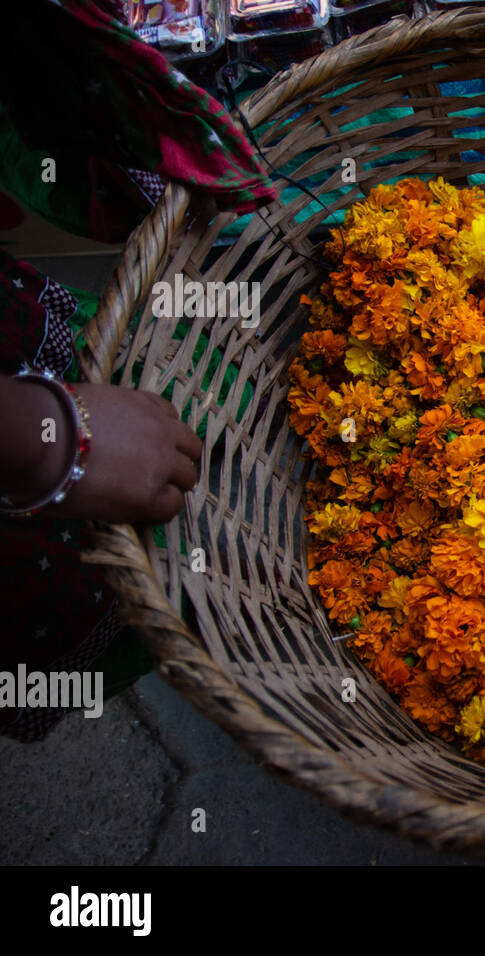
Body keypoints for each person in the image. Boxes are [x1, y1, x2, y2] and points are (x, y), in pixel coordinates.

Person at [0, 0, 274, 739]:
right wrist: (50, 442)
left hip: (29, 368)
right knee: (140, 571)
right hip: (33, 461)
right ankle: (224, 623)